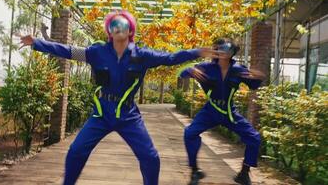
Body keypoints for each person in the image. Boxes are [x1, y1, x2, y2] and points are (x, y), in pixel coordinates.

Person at [19, 10, 212, 185]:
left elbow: (171, 58)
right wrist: (36, 42)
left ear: (130, 31)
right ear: (109, 31)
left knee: (151, 157)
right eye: (114, 25)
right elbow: (67, 51)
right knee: (76, 151)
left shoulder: (142, 55)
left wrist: (196, 52)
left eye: (123, 25)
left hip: (129, 116)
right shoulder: (96, 52)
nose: (119, 28)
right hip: (102, 113)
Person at [179, 38, 265, 185]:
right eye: (219, 48)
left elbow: (254, 84)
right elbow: (182, 73)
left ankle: (244, 173)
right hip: (210, 110)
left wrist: (259, 76)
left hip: (229, 112)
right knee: (189, 133)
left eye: (226, 48)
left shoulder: (238, 69)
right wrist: (190, 70)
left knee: (254, 138)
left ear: (232, 51)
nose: (223, 51)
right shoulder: (206, 67)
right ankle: (195, 171)